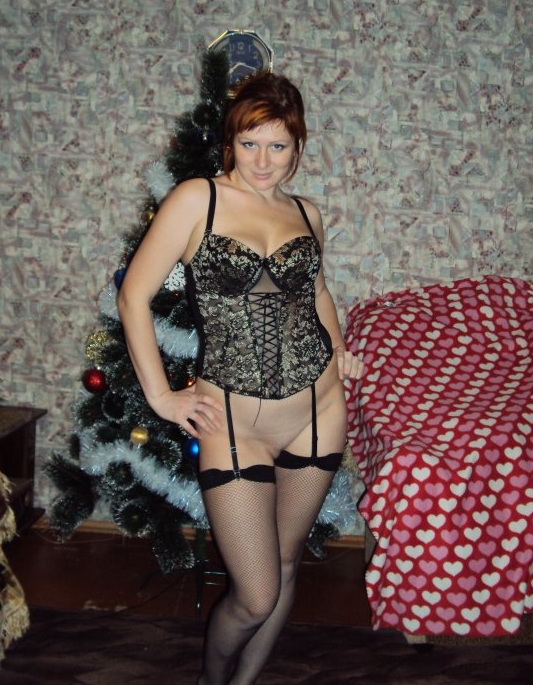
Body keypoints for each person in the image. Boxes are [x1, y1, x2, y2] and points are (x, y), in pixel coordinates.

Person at [117, 72, 363, 685]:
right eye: (250, 143)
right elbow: (133, 296)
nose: (263, 160)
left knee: (286, 564)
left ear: (298, 147)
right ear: (231, 142)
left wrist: (339, 350)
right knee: (254, 595)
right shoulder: (195, 200)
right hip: (233, 423)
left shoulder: (306, 212)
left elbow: (317, 292)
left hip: (317, 411)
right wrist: (160, 396)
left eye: (278, 146)